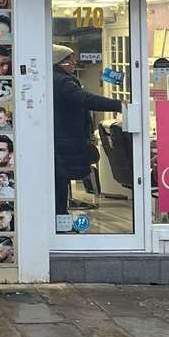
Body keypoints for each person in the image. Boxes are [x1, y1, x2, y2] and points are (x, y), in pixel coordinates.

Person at [52, 43, 122, 215]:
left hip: (61, 138)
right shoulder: (63, 82)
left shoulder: (57, 79)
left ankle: (60, 221)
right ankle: (60, 221)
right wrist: (118, 105)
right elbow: (85, 99)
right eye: (70, 59)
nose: (74, 62)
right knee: (60, 182)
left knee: (58, 183)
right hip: (65, 140)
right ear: (60, 61)